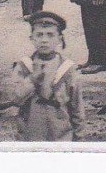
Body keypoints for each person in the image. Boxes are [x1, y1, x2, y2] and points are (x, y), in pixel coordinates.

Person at [13, 11, 83, 141]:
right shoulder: (24, 66)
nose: (44, 40)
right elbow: (16, 98)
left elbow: (77, 108)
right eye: (39, 35)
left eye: (50, 35)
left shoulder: (68, 69)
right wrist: (32, 79)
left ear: (59, 39)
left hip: (61, 136)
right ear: (32, 39)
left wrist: (78, 138)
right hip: (31, 135)